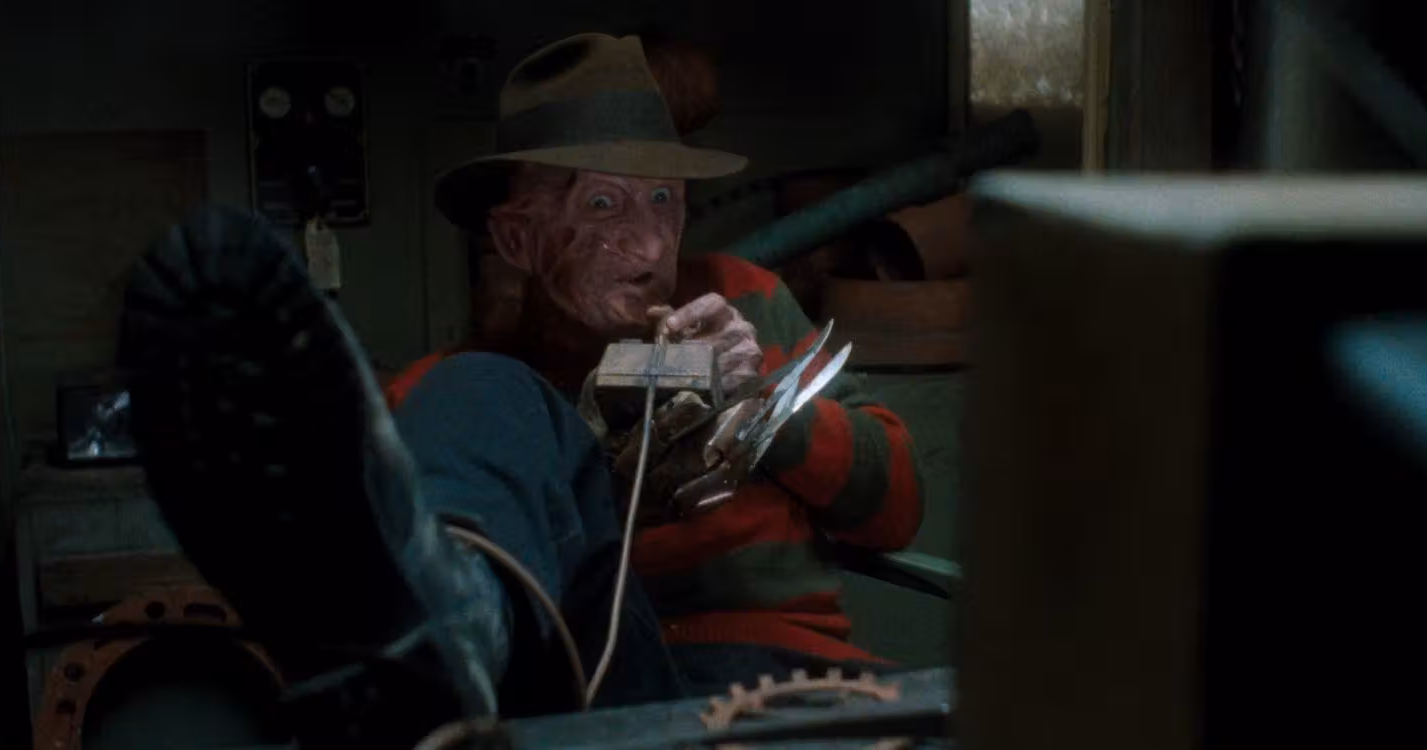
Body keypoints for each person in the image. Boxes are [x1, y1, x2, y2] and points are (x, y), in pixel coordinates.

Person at [118, 33, 923, 749]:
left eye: (664, 203)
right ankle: (449, 634)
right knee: (481, 390)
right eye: (603, 204)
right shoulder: (456, 400)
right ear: (517, 238)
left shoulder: (743, 301)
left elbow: (897, 508)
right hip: (595, 700)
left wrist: (763, 411)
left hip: (790, 686)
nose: (650, 247)